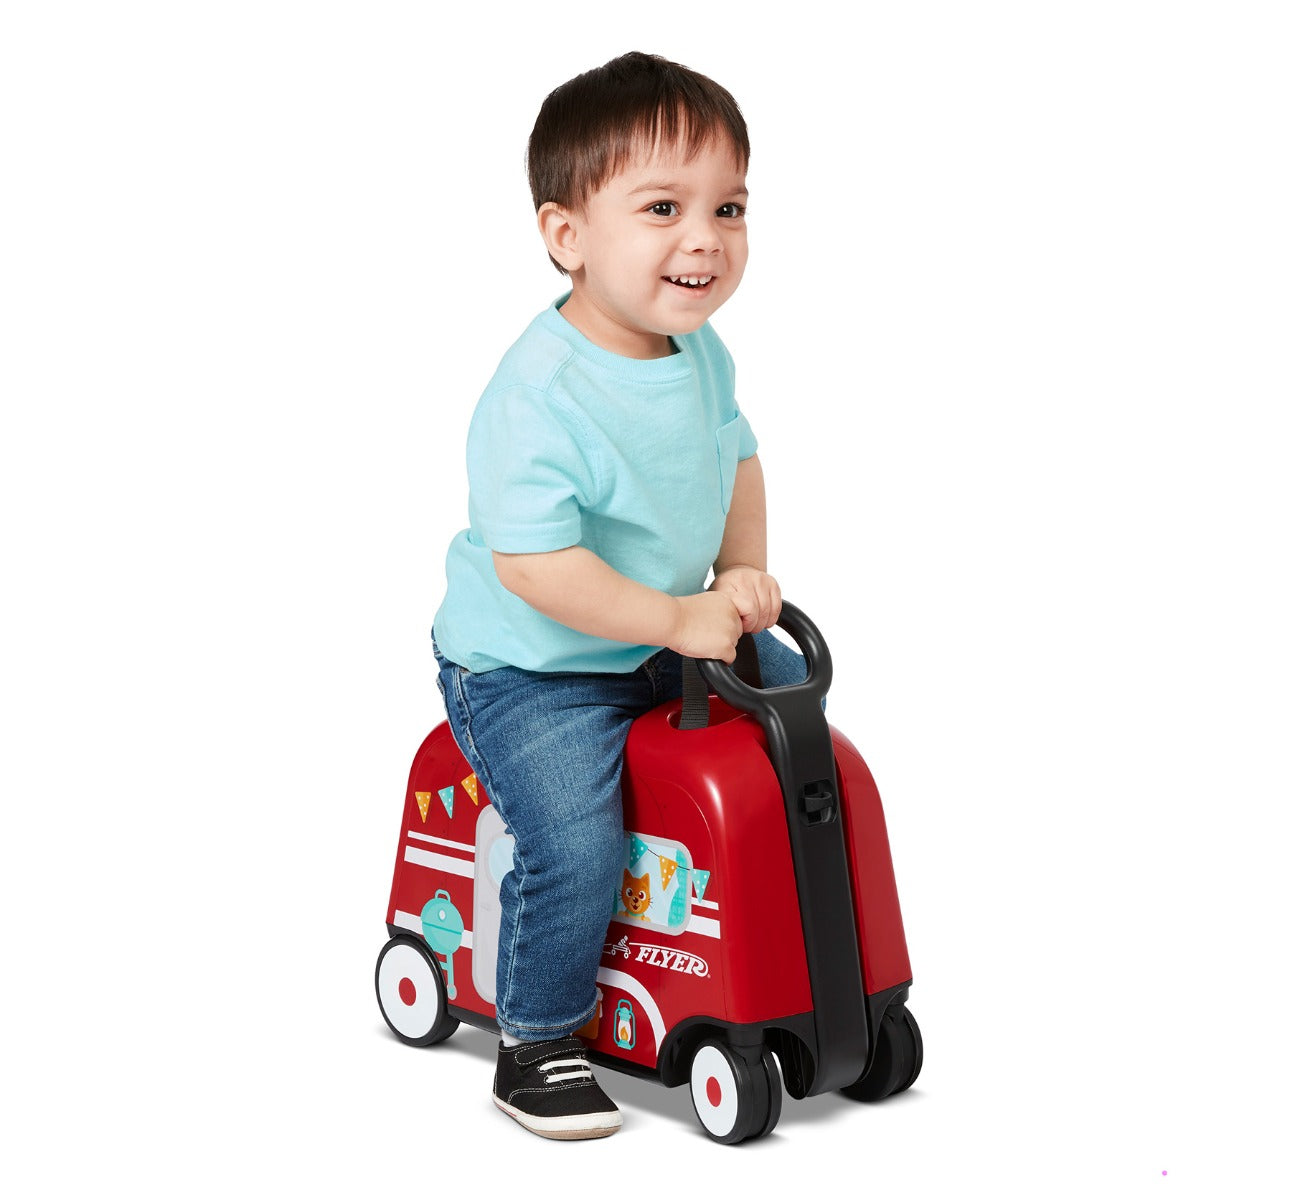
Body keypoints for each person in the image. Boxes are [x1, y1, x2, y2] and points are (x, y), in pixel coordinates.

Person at [430, 51, 810, 1139]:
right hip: (533, 669)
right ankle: (537, 1040)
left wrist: (739, 573)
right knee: (575, 842)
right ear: (567, 235)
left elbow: (737, 458)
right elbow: (538, 569)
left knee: (797, 726)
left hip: (660, 636)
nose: (706, 238)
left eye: (728, 207)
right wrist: (678, 621)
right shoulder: (537, 394)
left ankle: (788, 958)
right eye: (662, 209)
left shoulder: (699, 351)